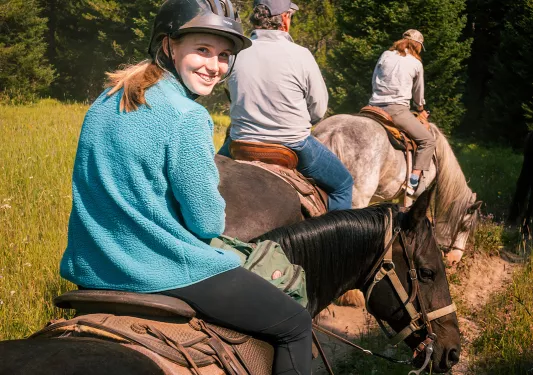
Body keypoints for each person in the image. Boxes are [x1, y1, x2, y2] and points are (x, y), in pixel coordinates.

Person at [59, 1, 312, 374]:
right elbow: (207, 223)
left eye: (225, 55)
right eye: (203, 50)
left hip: (93, 266)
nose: (214, 66)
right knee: (295, 325)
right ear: (169, 47)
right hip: (160, 269)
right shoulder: (187, 116)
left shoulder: (107, 98)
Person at [218, 0, 354, 211]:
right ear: (284, 19)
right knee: (343, 185)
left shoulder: (236, 53)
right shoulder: (301, 54)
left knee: (206, 176)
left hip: (241, 143)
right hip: (293, 145)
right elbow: (318, 108)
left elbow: (228, 91)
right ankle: (336, 242)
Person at [369, 29, 434, 196]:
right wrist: (420, 110)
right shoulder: (416, 64)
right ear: (418, 46)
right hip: (396, 110)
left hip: (372, 107)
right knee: (428, 141)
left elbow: (374, 78)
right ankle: (413, 181)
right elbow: (418, 95)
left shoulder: (385, 54)